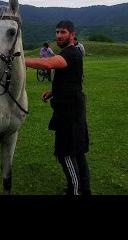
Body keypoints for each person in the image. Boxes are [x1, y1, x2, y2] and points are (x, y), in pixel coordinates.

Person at [25, 20, 90, 196]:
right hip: (73, 106)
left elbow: (47, 64)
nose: (59, 35)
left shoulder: (71, 53)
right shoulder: (71, 52)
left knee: (66, 153)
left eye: (63, 32)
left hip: (69, 111)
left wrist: (19, 60)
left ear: (72, 34)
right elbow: (70, 79)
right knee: (77, 151)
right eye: (57, 32)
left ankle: (75, 192)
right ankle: (84, 190)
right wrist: (52, 91)